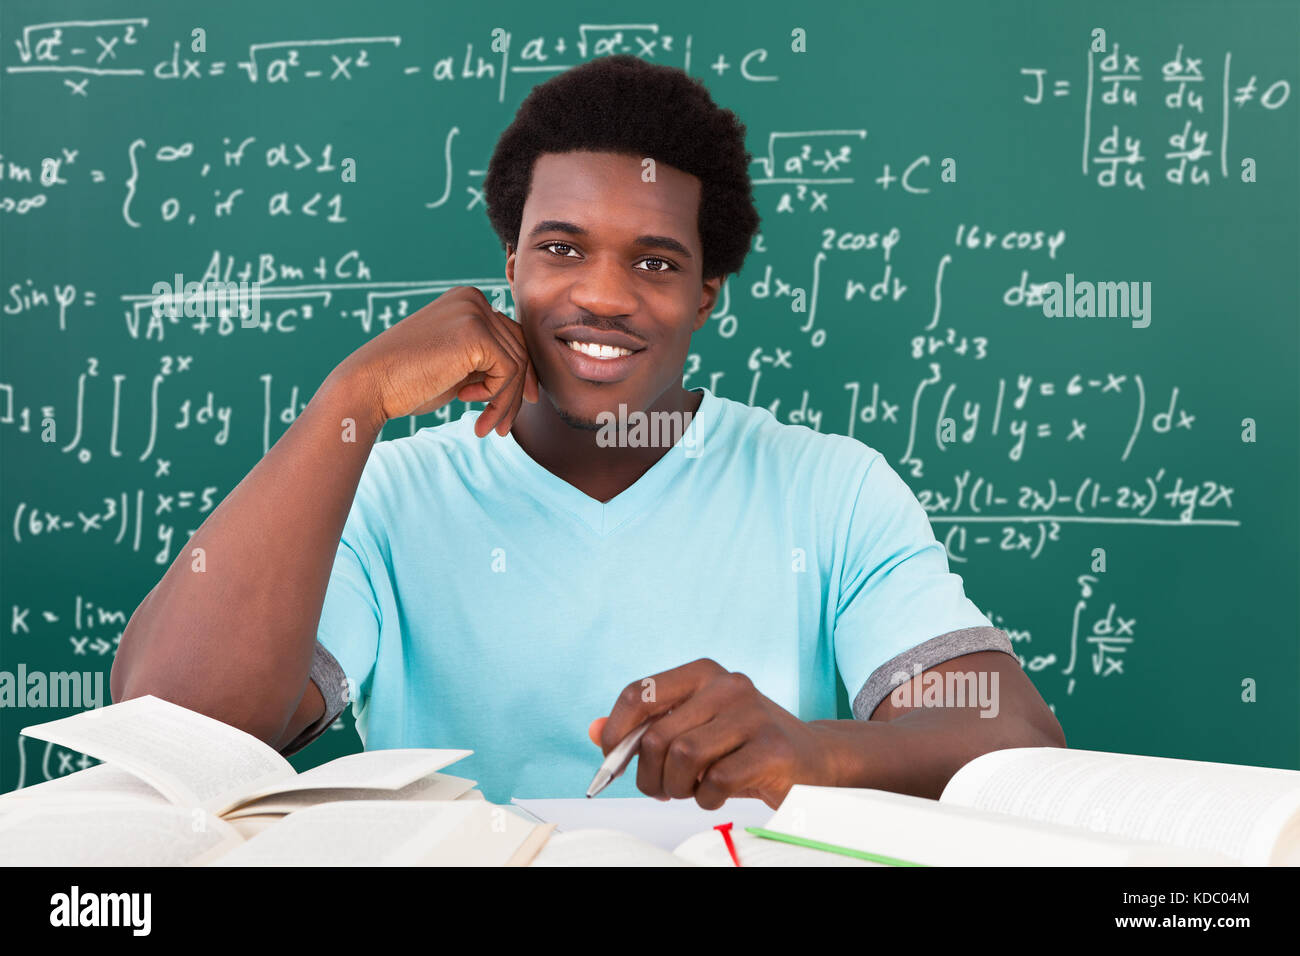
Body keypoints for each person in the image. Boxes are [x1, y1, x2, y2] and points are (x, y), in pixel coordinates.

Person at [112, 55, 1064, 809]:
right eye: (561, 248)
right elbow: (175, 723)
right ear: (510, 262)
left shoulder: (830, 488)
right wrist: (350, 398)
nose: (603, 296)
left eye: (655, 262)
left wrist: (814, 748)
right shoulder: (387, 496)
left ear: (706, 296)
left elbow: (1011, 736)